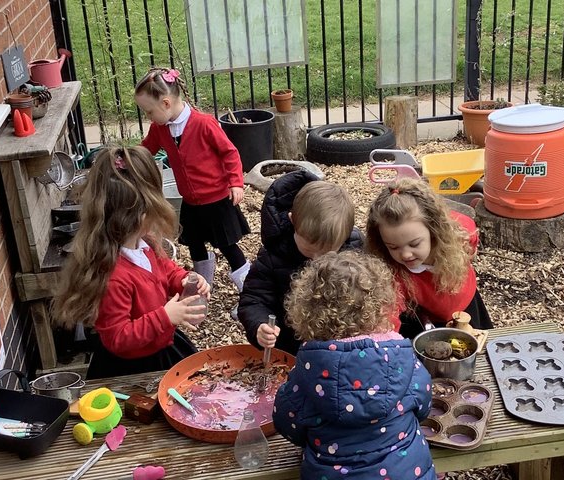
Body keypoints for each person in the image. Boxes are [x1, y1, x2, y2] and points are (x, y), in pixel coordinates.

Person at [273, 250, 436, 479]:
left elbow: (287, 423)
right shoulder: (405, 363)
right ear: (381, 307)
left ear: (307, 314)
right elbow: (424, 407)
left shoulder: (306, 375)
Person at [51, 146, 210, 379]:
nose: (156, 216)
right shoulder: (113, 276)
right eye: (151, 211)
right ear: (128, 218)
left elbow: (164, 268)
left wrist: (182, 279)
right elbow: (117, 337)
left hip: (163, 344)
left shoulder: (142, 243)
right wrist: (165, 317)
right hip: (134, 368)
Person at [134, 67, 251, 307]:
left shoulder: (204, 123)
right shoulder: (160, 128)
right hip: (191, 201)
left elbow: (229, 153)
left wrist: (236, 182)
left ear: (166, 103)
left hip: (217, 201)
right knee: (195, 246)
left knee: (228, 248)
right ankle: (201, 293)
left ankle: (250, 295)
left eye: (149, 111)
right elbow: (146, 149)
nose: (148, 117)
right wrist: (127, 160)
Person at [238, 170, 363, 355]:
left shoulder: (354, 250)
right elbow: (254, 299)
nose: (316, 259)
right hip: (291, 346)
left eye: (327, 251)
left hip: (341, 347)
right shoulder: (274, 256)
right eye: (309, 249)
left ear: (344, 237)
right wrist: (260, 325)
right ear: (292, 221)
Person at [366, 178, 493, 339]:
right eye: (393, 247)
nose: (405, 254)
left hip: (468, 305)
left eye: (414, 244)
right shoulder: (393, 273)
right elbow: (390, 315)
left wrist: (470, 252)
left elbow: (470, 232)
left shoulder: (460, 236)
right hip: (428, 318)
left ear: (434, 230)